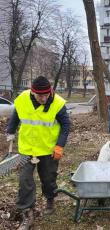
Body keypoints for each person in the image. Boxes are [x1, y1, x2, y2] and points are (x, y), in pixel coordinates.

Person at [6, 76, 70, 230]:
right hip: (26, 149)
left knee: (48, 178)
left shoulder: (58, 103)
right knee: (24, 180)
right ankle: (27, 212)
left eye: (46, 95)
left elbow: (66, 126)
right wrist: (10, 131)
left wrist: (59, 146)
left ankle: (50, 199)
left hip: (48, 149)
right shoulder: (22, 99)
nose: (43, 98)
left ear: (50, 92)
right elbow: (16, 116)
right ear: (32, 92)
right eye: (39, 95)